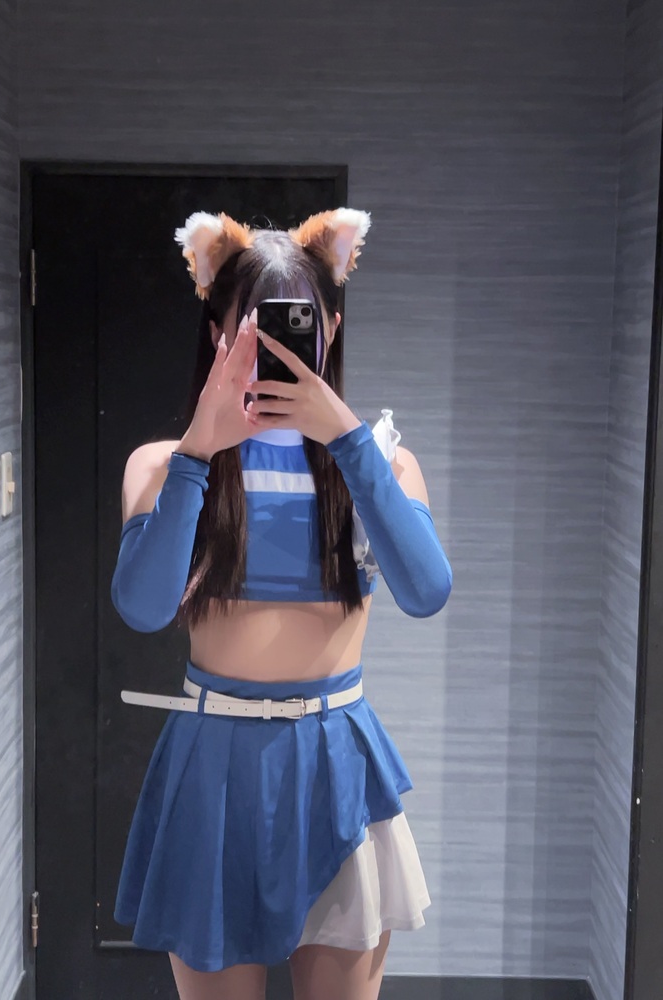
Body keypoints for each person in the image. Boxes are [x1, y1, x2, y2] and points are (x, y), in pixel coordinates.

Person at [110, 207, 453, 1000]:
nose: (277, 352)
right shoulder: (163, 465)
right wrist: (201, 449)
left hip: (337, 761)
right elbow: (143, 607)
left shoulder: (383, 465)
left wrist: (348, 440)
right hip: (212, 766)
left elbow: (426, 591)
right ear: (218, 335)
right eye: (256, 332)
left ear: (330, 329)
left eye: (297, 330)